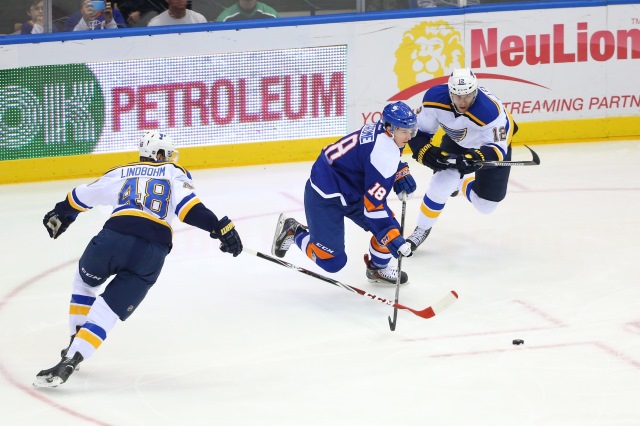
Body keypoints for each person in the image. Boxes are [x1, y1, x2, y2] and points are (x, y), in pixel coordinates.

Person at [33, 131, 243, 388]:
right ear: (160, 154)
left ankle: (74, 339)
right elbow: (189, 209)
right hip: (151, 253)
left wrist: (62, 212)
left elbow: (82, 194)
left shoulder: (122, 172)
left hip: (113, 239)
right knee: (107, 311)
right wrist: (218, 227)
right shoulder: (175, 172)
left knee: (85, 283)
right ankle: (71, 360)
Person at [271, 102, 418, 285]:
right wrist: (390, 236)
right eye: (404, 131)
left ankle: (377, 269)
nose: (409, 136)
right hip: (325, 195)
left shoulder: (384, 133)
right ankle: (294, 232)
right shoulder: (384, 149)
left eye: (410, 130)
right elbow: (373, 207)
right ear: (390, 128)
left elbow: (365, 157)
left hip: (350, 189)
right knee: (333, 261)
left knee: (391, 227)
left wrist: (398, 170)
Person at [405, 68, 517, 250]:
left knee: (486, 206)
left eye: (468, 95)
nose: (463, 101)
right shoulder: (434, 99)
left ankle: (462, 181)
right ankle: (421, 229)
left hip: (486, 146)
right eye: (457, 96)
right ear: (450, 93)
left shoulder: (490, 111)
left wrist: (477, 158)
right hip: (456, 140)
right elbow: (420, 132)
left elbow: (497, 149)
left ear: (476, 91)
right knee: (440, 184)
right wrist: (423, 150)